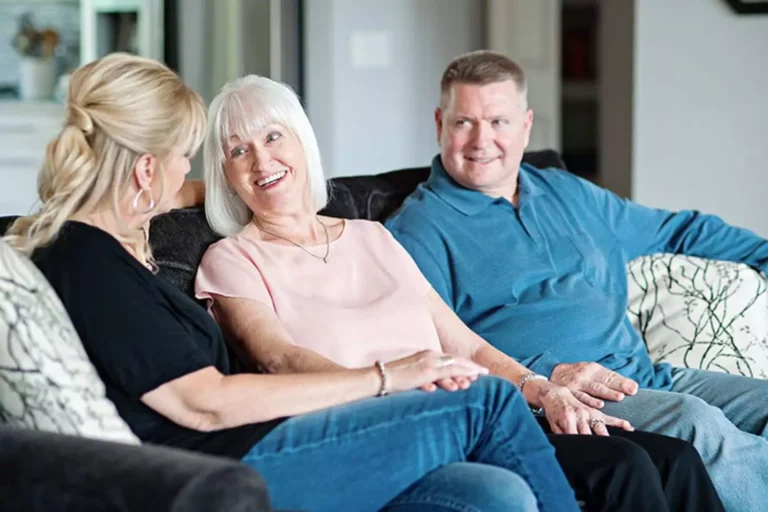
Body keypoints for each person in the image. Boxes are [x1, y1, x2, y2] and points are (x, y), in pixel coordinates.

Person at [2, 52, 582, 512]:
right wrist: (386, 376)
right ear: (147, 168)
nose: (188, 175)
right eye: (186, 156)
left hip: (252, 449)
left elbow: (182, 192)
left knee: (491, 496)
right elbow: (205, 405)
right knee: (482, 401)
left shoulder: (107, 246)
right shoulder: (85, 259)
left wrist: (227, 184)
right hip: (222, 468)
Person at [193, 74, 723, 512]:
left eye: (272, 137)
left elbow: (464, 343)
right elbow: (281, 360)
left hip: (476, 407)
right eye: (238, 149)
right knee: (621, 468)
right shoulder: (233, 259)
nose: (261, 161)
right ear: (225, 173)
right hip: (390, 430)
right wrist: (392, 378)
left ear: (302, 142)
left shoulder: (371, 236)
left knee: (672, 457)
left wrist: (541, 388)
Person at [383, 49, 768, 512]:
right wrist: (544, 374)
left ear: (525, 124)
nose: (482, 140)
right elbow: (434, 354)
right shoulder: (416, 231)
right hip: (563, 400)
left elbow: (679, 229)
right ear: (440, 122)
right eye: (464, 122)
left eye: (499, 122)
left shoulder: (566, 193)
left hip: (645, 373)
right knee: (696, 423)